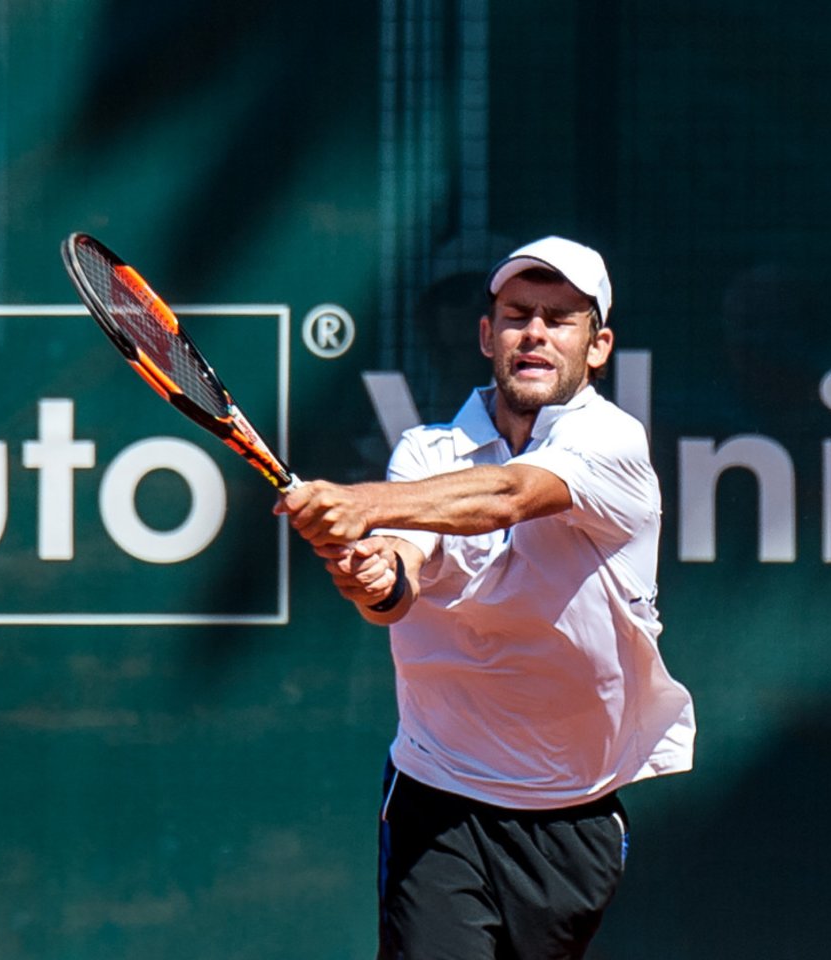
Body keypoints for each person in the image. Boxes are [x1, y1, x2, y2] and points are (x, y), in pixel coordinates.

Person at [278, 236, 695, 959]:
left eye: (559, 319)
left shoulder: (613, 442)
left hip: (572, 812)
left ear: (597, 347)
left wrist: (361, 504)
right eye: (517, 315)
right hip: (437, 795)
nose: (534, 332)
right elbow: (401, 581)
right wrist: (375, 578)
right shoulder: (425, 454)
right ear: (486, 335)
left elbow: (509, 494)